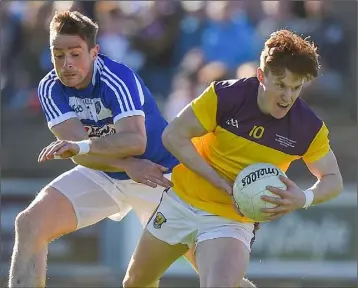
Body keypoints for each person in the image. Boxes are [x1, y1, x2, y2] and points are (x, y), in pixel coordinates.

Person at [122, 29, 344, 288]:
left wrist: (303, 198)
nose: (288, 97)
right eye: (281, 85)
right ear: (261, 75)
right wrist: (220, 183)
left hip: (231, 219)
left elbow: (332, 179)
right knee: (135, 283)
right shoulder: (226, 96)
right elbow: (173, 136)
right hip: (181, 201)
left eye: (296, 88)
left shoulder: (307, 127)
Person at [8, 10, 213, 288]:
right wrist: (127, 166)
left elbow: (135, 141)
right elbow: (78, 151)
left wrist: (119, 160)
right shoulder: (49, 89)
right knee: (30, 223)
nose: (66, 63)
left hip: (161, 176)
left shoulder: (117, 77)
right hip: (107, 173)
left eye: (75, 54)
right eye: (58, 55)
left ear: (94, 52)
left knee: (214, 269)